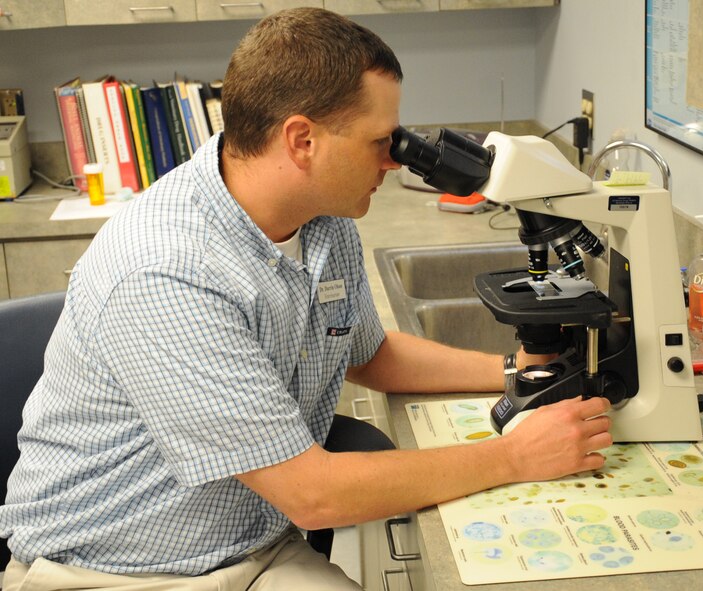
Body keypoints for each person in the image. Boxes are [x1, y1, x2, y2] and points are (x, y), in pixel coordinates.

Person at [0, 7, 612, 590]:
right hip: (110, 571)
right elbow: (313, 492)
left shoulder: (321, 218)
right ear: (301, 141)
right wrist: (514, 457)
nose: (395, 162)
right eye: (381, 141)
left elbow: (367, 353)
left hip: (253, 546)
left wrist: (515, 373)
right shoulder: (167, 270)